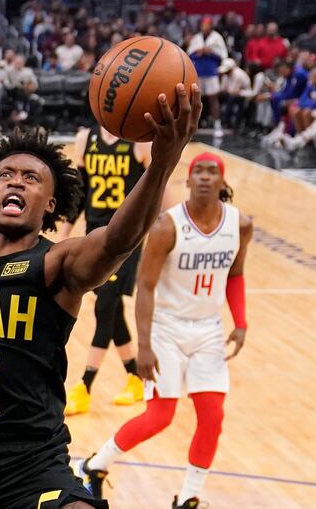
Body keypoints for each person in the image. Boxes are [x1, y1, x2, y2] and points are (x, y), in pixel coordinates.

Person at [0, 84, 202, 508]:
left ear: (50, 204)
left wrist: (160, 166)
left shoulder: (56, 264)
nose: (16, 182)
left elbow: (116, 242)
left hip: (32, 462)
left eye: (31, 179)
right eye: (6, 176)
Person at [77, 152, 253, 509]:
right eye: (197, 172)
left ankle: (188, 496)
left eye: (211, 172)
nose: (204, 177)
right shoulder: (167, 226)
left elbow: (235, 274)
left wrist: (241, 322)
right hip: (166, 328)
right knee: (161, 415)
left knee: (213, 416)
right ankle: (94, 465)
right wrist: (143, 345)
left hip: (207, 329)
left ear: (221, 181)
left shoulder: (240, 224)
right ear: (187, 181)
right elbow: (145, 286)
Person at [60, 125, 154, 415]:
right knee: (112, 312)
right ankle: (135, 377)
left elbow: (155, 187)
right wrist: (64, 235)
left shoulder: (139, 142)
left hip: (128, 238)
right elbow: (81, 190)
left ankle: (85, 386)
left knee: (105, 306)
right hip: (95, 236)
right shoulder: (84, 139)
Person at [187, 17, 228, 137]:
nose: (204, 27)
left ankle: (217, 125)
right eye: (203, 25)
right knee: (194, 100)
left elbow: (222, 55)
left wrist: (211, 52)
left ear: (211, 26)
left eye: (206, 25)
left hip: (211, 72)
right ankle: (191, 124)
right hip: (198, 72)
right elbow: (190, 54)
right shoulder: (197, 38)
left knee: (213, 99)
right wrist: (199, 52)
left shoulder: (217, 37)